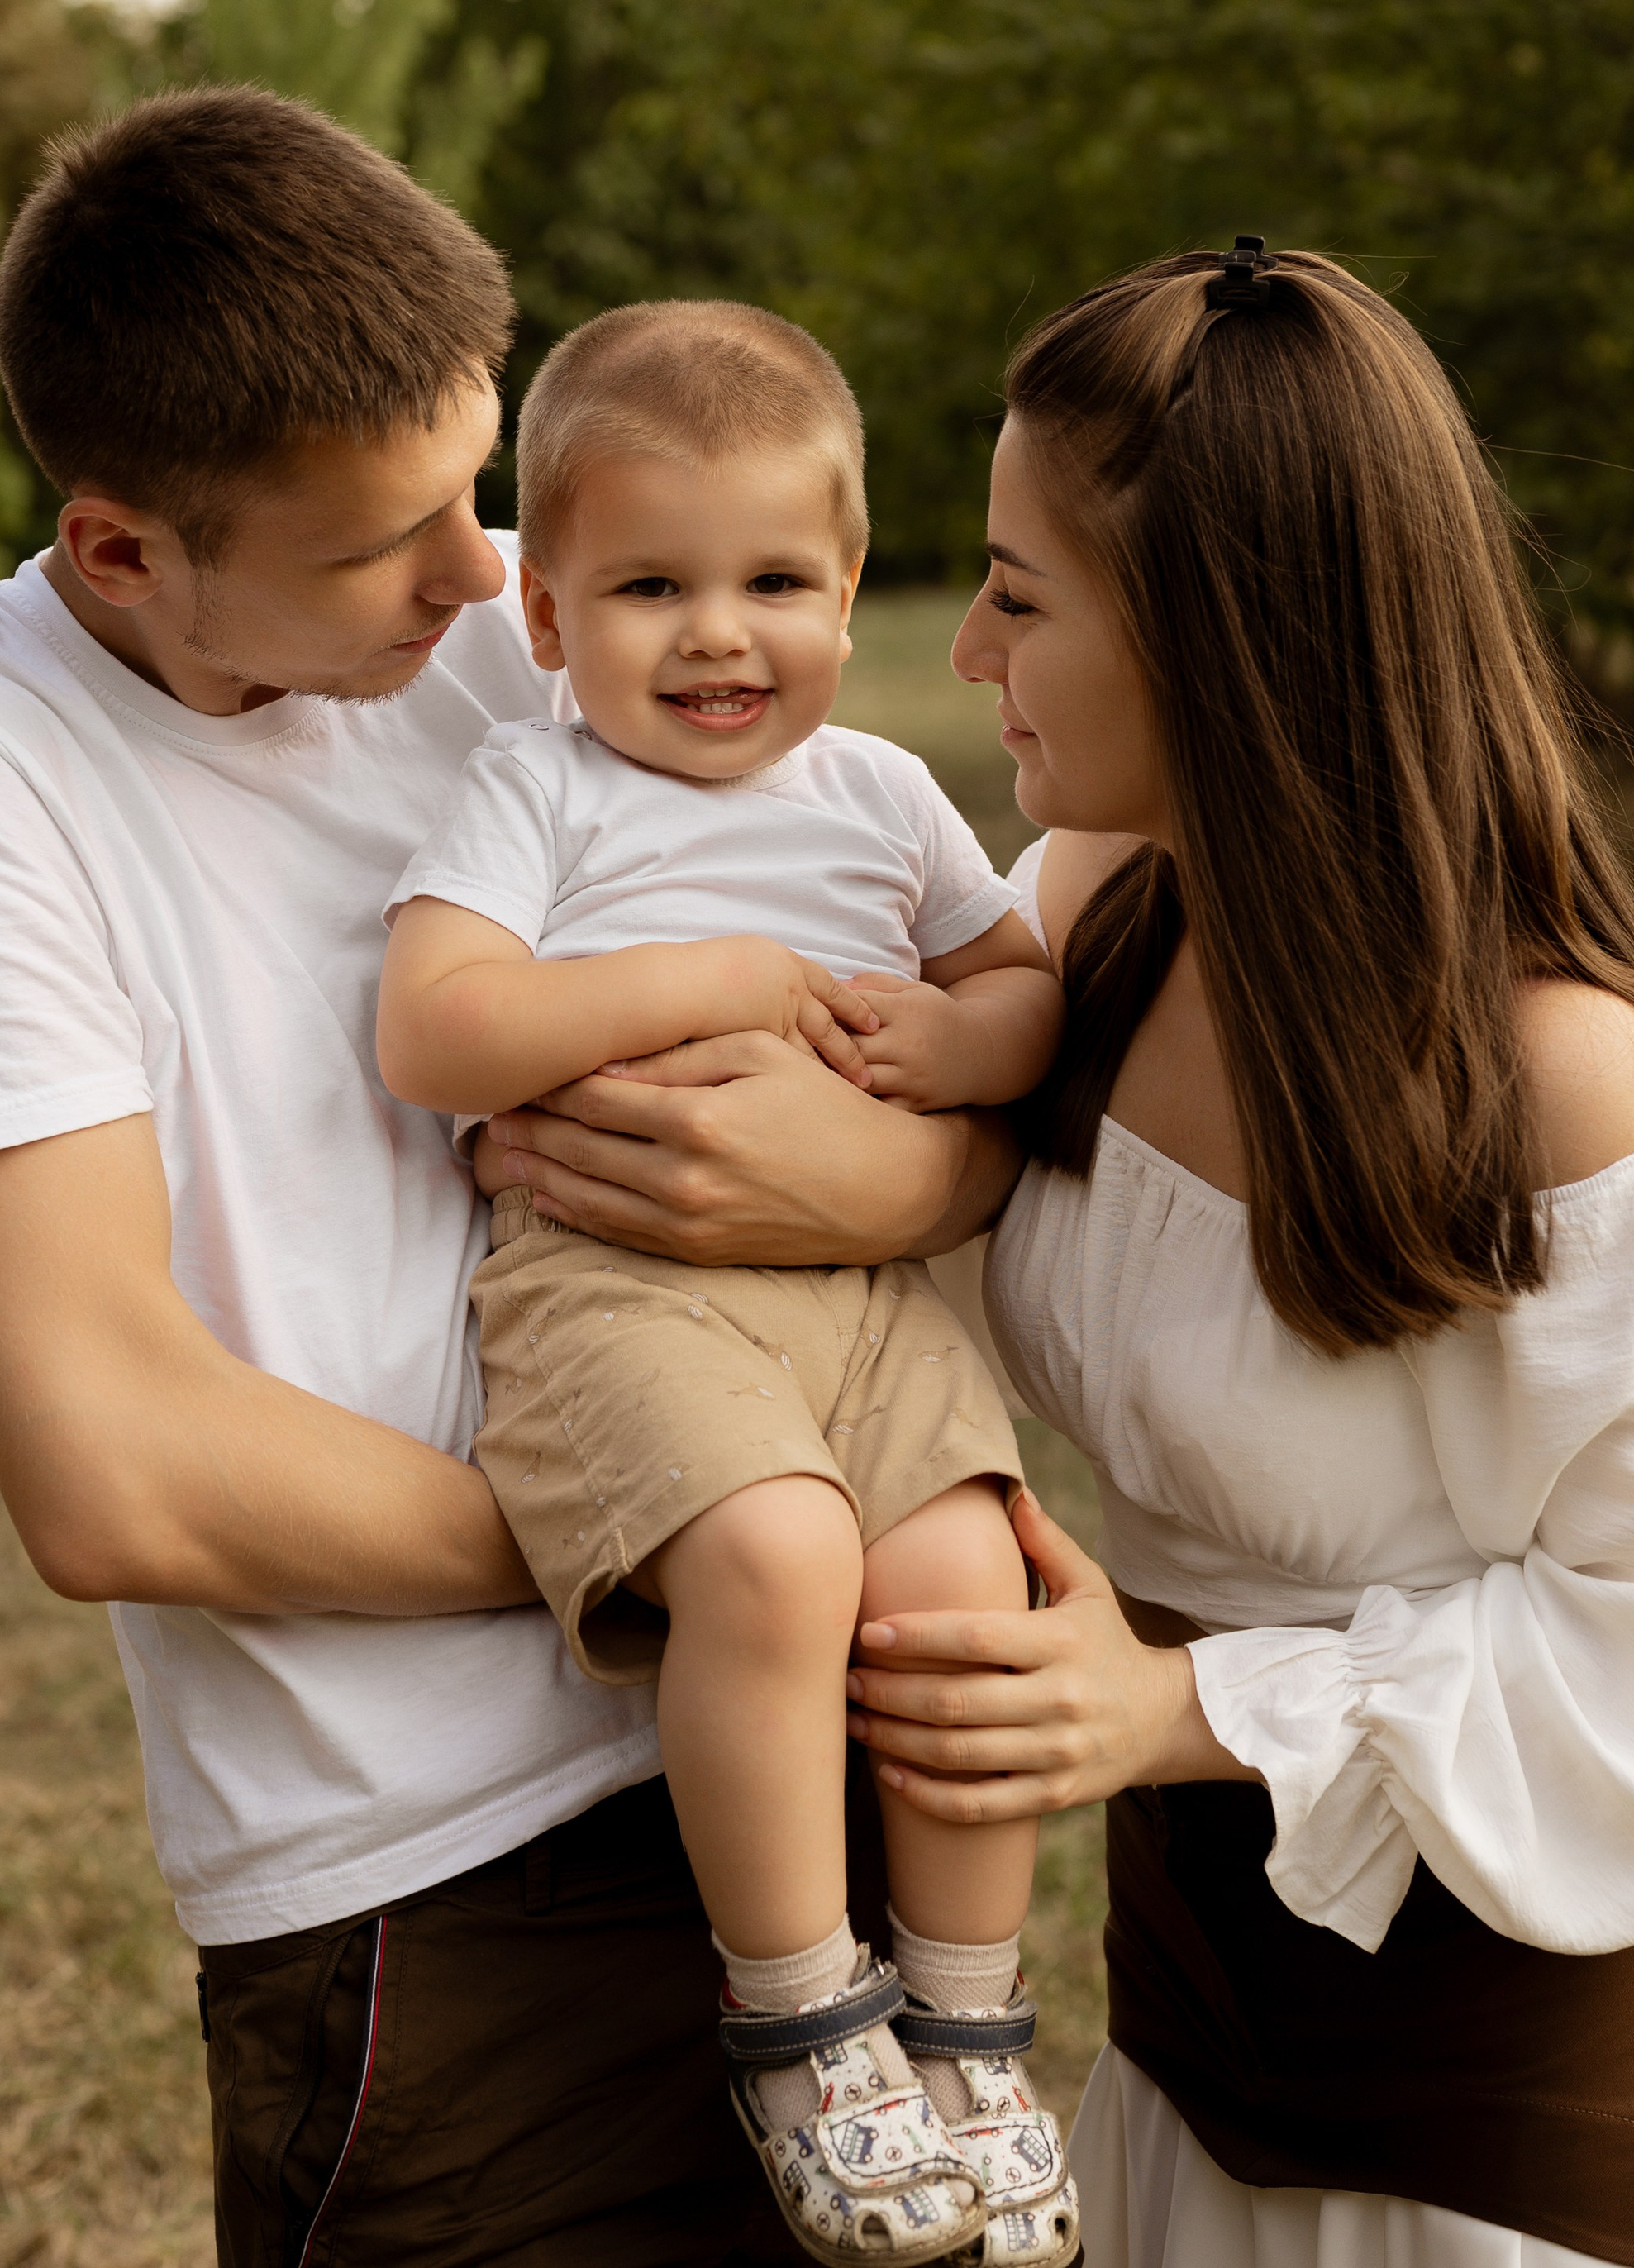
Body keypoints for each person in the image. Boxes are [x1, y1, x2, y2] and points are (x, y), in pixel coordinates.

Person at [0, 88, 1018, 2268]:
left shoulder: (547, 616)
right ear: (122, 553)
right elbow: (121, 1473)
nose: (477, 580)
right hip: (430, 1895)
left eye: (475, 489)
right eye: (389, 539)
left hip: (797, 1783)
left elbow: (932, 1052)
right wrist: (722, 1536)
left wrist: (893, 1210)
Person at [814, 243, 1634, 2268]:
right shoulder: (1090, 919)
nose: (969, 646)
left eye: (1016, 593)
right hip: (1194, 2053)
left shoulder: (1563, 1093)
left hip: (1510, 2145)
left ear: (1214, 632)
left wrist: (1180, 1707)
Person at [378, 299, 1076, 2268]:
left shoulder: (881, 792)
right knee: (775, 1554)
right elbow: (434, 1028)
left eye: (772, 581)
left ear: (847, 593)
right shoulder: (536, 789)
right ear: (543, 614)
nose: (715, 634)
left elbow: (1020, 991)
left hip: (865, 1293)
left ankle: (965, 2024)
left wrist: (962, 1043)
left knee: (962, 1584)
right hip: (616, 1284)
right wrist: (713, 980)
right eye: (647, 587)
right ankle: (800, 2018)